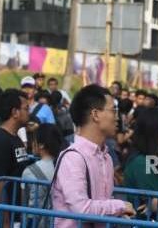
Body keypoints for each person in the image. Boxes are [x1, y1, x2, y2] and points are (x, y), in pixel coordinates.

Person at [51, 84, 135, 227]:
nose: (117, 118)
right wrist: (120, 206)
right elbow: (81, 209)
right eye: (113, 110)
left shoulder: (106, 157)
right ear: (95, 114)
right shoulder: (73, 158)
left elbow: (102, 201)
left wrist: (118, 213)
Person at [0, 89, 30, 227]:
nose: (29, 112)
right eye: (26, 108)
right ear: (15, 112)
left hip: (17, 214)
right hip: (5, 218)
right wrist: (5, 221)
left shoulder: (16, 138)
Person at [22, 124, 65, 209]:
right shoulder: (65, 166)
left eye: (34, 140)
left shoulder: (29, 171)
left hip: (36, 219)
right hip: (59, 220)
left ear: (41, 145)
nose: (32, 143)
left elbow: (24, 202)